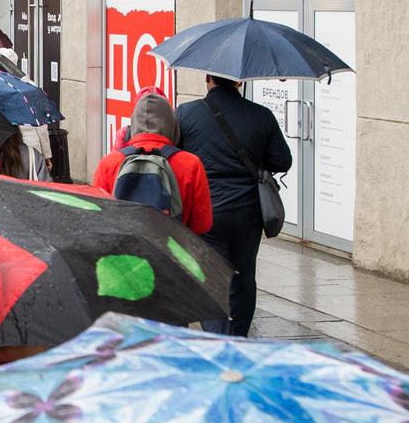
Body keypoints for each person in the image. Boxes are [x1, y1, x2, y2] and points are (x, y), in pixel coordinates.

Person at [177, 75, 291, 337]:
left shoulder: (187, 113)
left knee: (209, 274)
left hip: (205, 209)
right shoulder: (261, 115)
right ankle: (238, 336)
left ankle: (216, 335)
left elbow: (175, 156)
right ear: (239, 83)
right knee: (243, 276)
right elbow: (282, 161)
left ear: (207, 79)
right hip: (247, 212)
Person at [90, 92, 213, 235]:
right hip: (171, 251)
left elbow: (97, 218)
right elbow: (202, 225)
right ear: (172, 124)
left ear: (134, 123)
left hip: (124, 252)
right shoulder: (191, 164)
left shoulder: (109, 163)